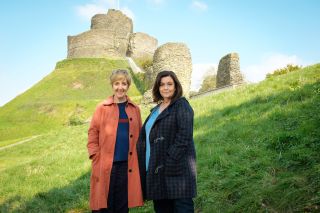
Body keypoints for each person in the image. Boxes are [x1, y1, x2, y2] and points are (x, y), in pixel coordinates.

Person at [137, 70, 197, 213]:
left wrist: (170, 159)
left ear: (176, 86)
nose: (166, 87)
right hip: (156, 171)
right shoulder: (155, 110)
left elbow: (184, 135)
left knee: (182, 208)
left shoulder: (181, 105)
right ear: (158, 88)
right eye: (162, 84)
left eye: (169, 84)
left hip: (177, 170)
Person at [87, 69, 143, 213]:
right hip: (105, 165)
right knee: (102, 205)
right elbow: (93, 132)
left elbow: (140, 135)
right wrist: (95, 155)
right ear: (112, 86)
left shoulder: (135, 109)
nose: (120, 87)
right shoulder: (102, 108)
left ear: (128, 86)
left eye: (124, 83)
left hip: (127, 166)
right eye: (116, 83)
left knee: (122, 206)